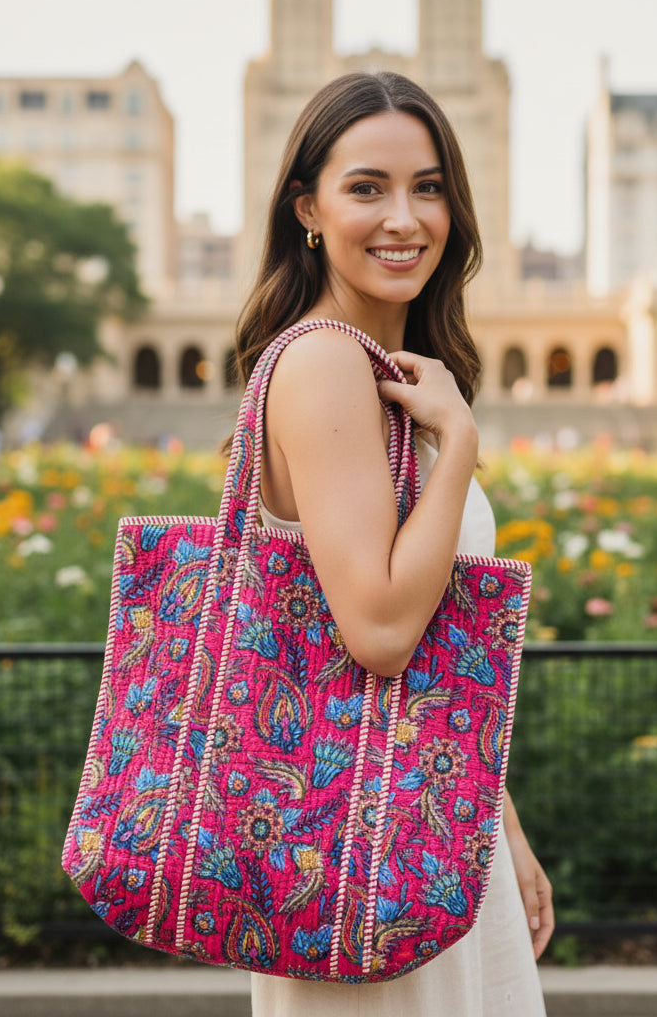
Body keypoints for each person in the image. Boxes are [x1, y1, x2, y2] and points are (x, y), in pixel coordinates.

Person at [232, 71, 552, 1015]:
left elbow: (428, 671)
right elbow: (379, 632)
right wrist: (461, 447)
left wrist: (503, 824)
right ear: (309, 209)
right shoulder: (327, 362)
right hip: (356, 858)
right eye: (367, 187)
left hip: (429, 834)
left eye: (429, 186)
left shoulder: (394, 374)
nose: (404, 217)